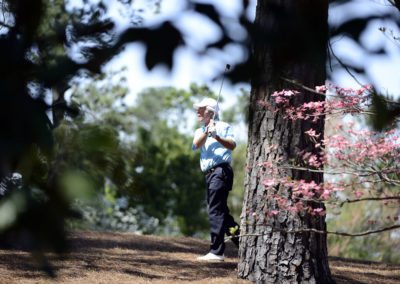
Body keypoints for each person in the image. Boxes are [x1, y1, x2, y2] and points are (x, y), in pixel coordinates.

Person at [192, 97, 240, 262]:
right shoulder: (200, 130)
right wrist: (207, 132)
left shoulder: (224, 126)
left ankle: (217, 252)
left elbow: (232, 145)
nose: (197, 111)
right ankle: (244, 243)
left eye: (200, 108)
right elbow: (196, 145)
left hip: (221, 171)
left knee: (215, 211)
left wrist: (217, 136)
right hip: (210, 174)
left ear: (210, 111)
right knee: (222, 213)